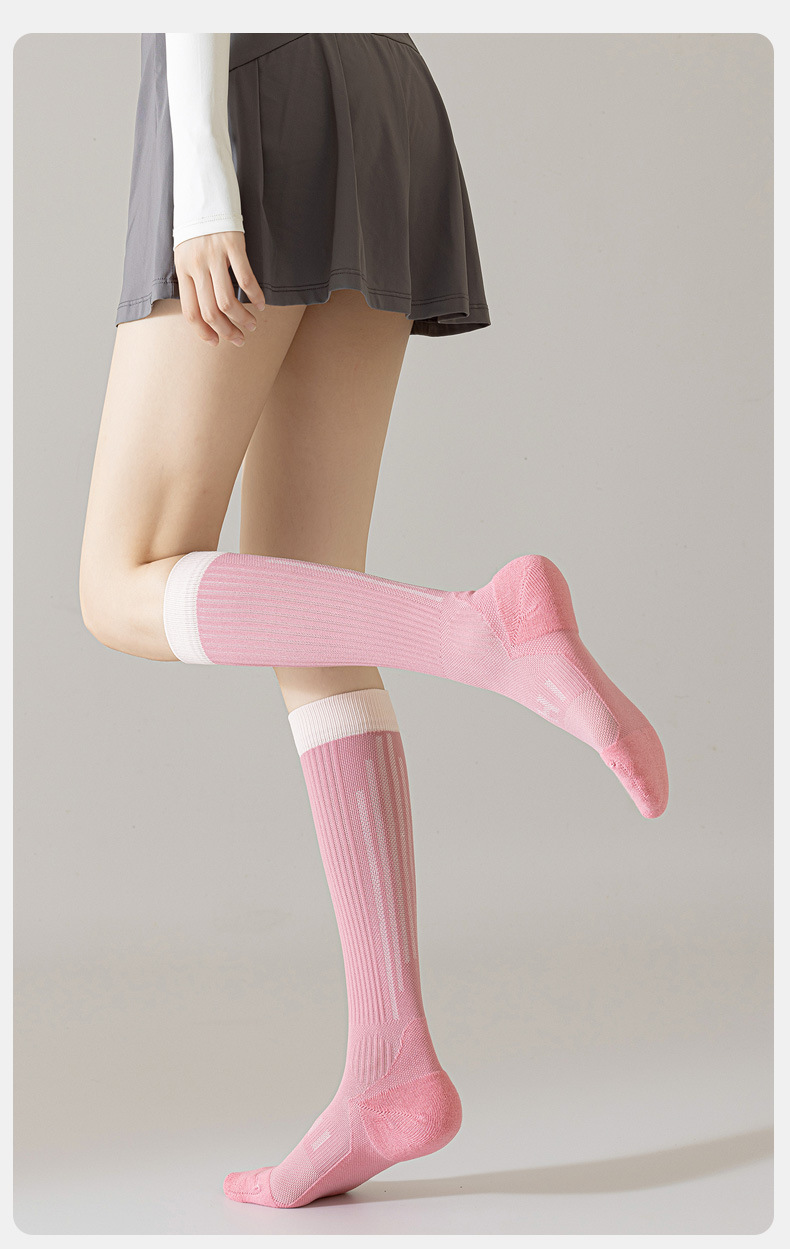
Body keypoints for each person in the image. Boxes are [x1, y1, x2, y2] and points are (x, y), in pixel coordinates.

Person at [79, 32, 668, 1211]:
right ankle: (389, 1061)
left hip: (242, 86)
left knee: (120, 583)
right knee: (309, 602)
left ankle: (483, 633)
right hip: (381, 91)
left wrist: (205, 186)